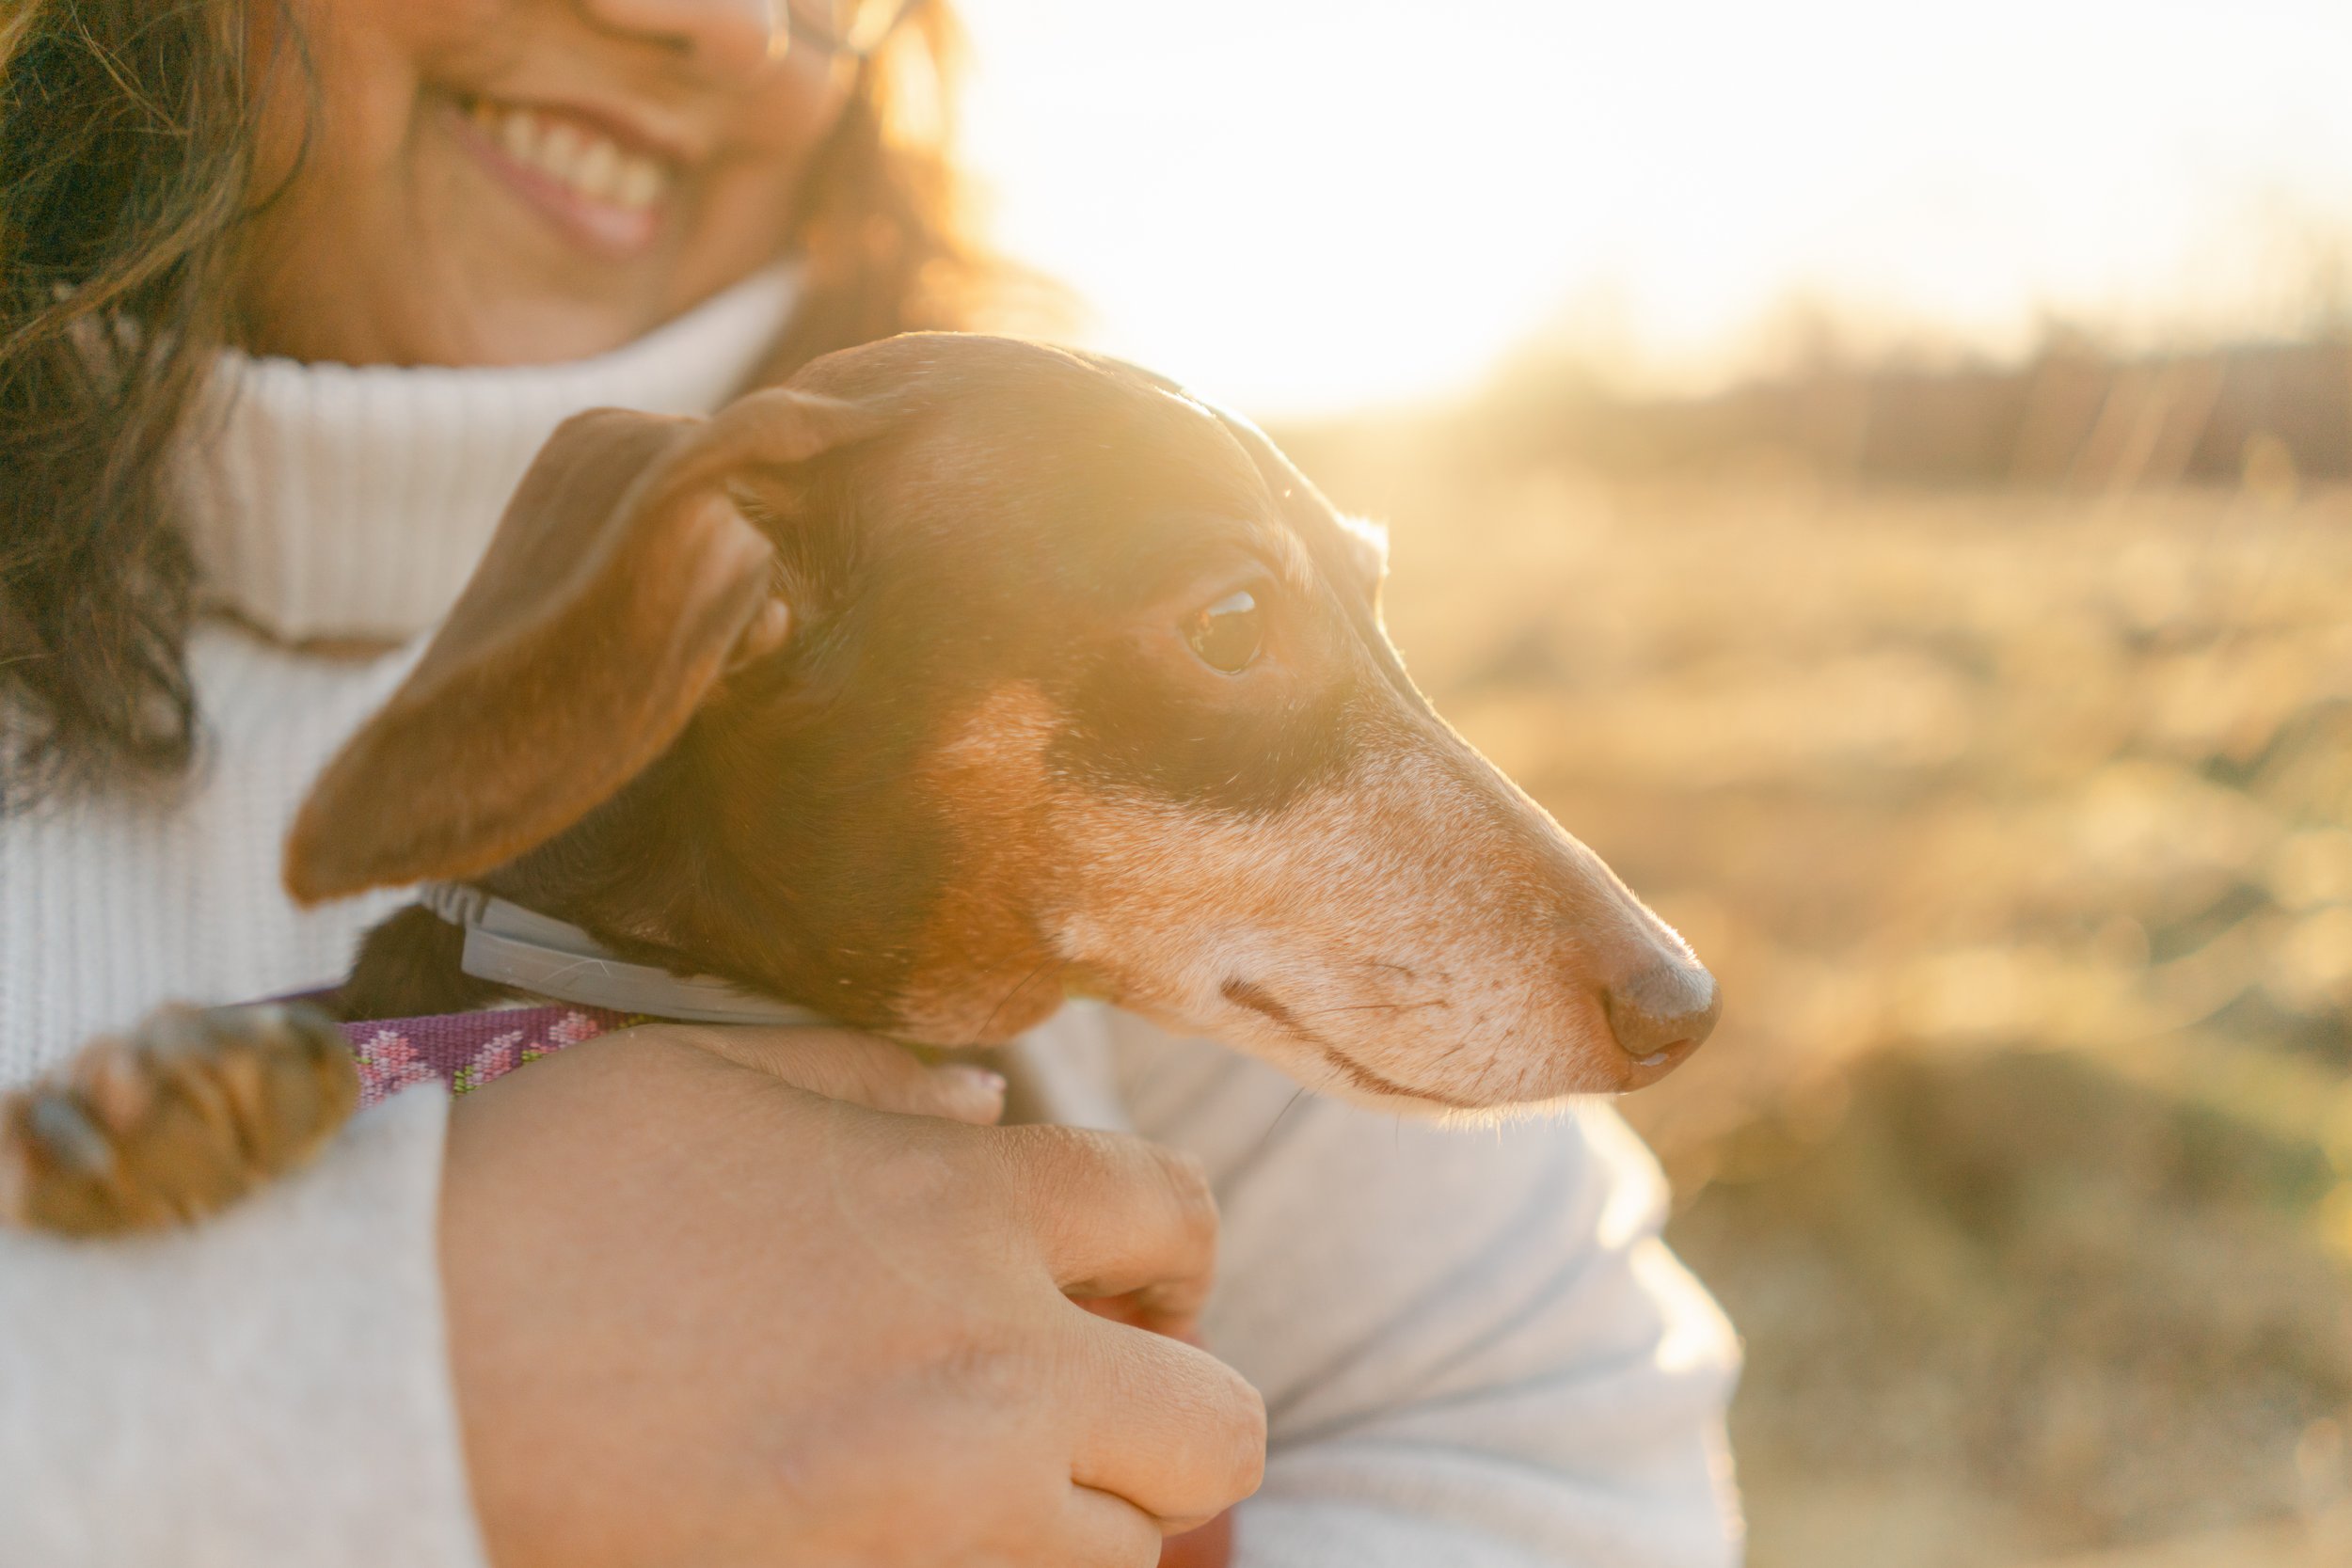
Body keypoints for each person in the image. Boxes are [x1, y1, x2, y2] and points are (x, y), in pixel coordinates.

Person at [0, 2, 1744, 1564]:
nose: (714, 23)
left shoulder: (1012, 532)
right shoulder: (897, 567)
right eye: (1229, 626)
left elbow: (1568, 1458)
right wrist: (399, 1392)